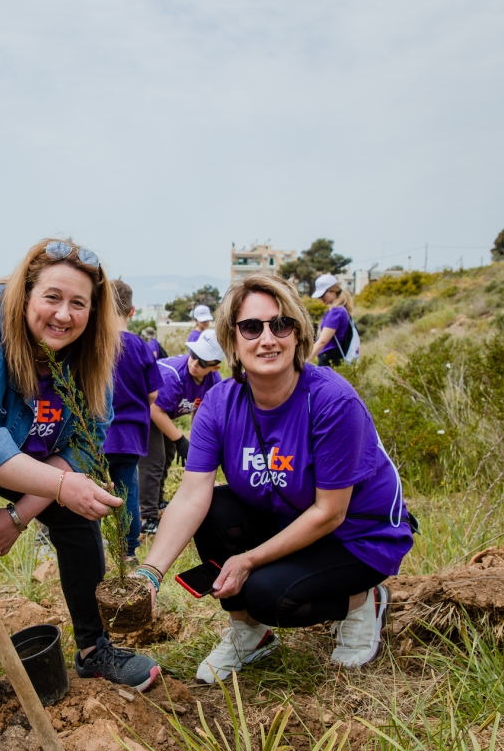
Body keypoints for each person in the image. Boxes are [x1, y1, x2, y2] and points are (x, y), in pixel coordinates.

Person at [0, 239, 162, 714]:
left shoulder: (96, 352)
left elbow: (83, 443)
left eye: (78, 303)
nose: (63, 315)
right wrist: (61, 485)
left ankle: (93, 648)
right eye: (52, 297)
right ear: (26, 294)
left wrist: (18, 516)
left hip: (29, 444)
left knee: (78, 519)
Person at [132, 273, 413, 684]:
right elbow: (192, 496)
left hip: (356, 537)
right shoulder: (220, 403)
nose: (268, 338)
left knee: (268, 595)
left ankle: (361, 602)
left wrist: (249, 560)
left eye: (281, 324)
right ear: (232, 340)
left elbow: (330, 513)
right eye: (251, 327)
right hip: (289, 517)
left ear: (298, 334)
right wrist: (150, 572)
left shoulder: (332, 401)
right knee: (214, 510)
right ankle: (250, 636)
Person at [139, 329, 223, 535]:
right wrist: (180, 440)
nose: (194, 363)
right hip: (143, 407)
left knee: (167, 456)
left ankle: (157, 502)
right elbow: (154, 409)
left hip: (162, 412)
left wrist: (195, 442)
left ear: (215, 367)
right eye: (193, 356)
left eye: (203, 362)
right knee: (154, 460)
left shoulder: (214, 381)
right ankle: (146, 516)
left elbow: (201, 410)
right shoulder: (173, 375)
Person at [104, 281, 161, 562]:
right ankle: (128, 550)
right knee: (127, 493)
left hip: (97, 436)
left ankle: (95, 545)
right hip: (130, 436)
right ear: (132, 311)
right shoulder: (140, 346)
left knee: (92, 492)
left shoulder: (95, 344)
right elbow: (153, 393)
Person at [308, 273, 358, 367]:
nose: (320, 298)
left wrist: (304, 361)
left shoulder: (336, 312)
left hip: (330, 359)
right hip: (336, 359)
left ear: (333, 291)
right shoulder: (342, 310)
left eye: (323, 294)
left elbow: (322, 341)